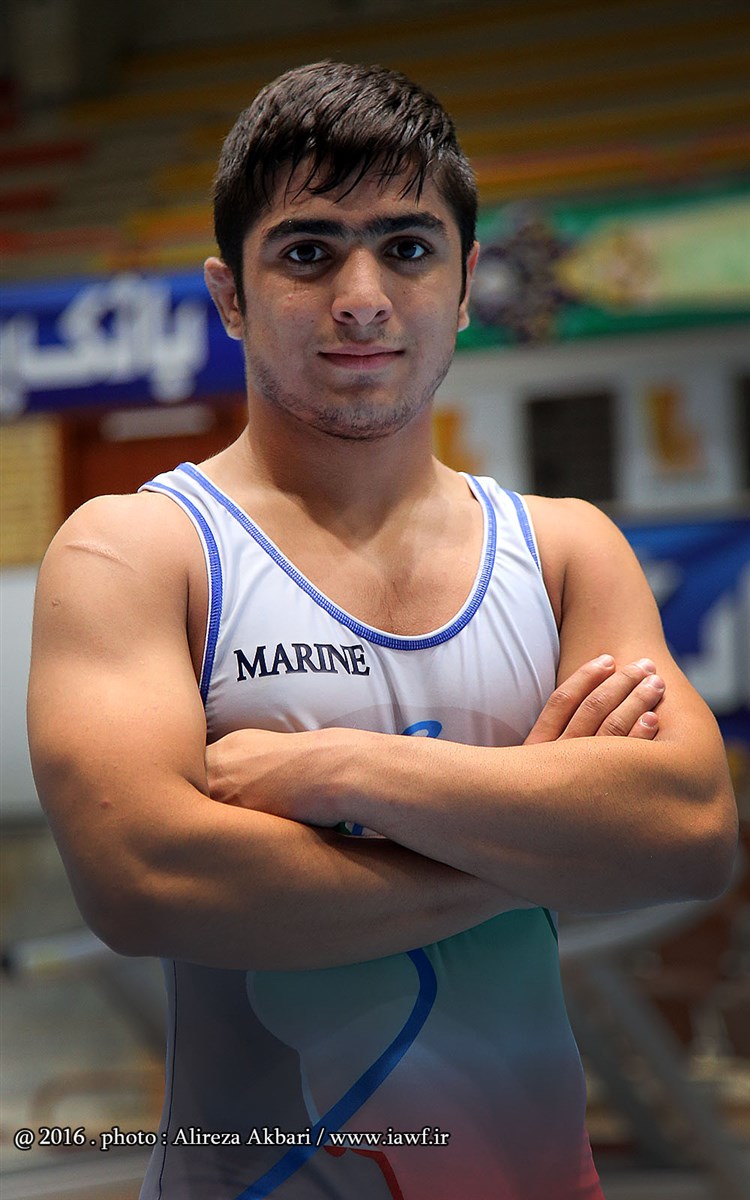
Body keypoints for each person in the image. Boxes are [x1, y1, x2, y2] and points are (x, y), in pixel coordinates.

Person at [28, 61, 736, 1200]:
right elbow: (145, 881)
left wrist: (343, 771)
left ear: (464, 287)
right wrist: (540, 836)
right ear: (229, 296)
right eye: (308, 252)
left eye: (407, 248)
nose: (362, 297)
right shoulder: (140, 551)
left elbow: (692, 832)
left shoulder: (564, 550)